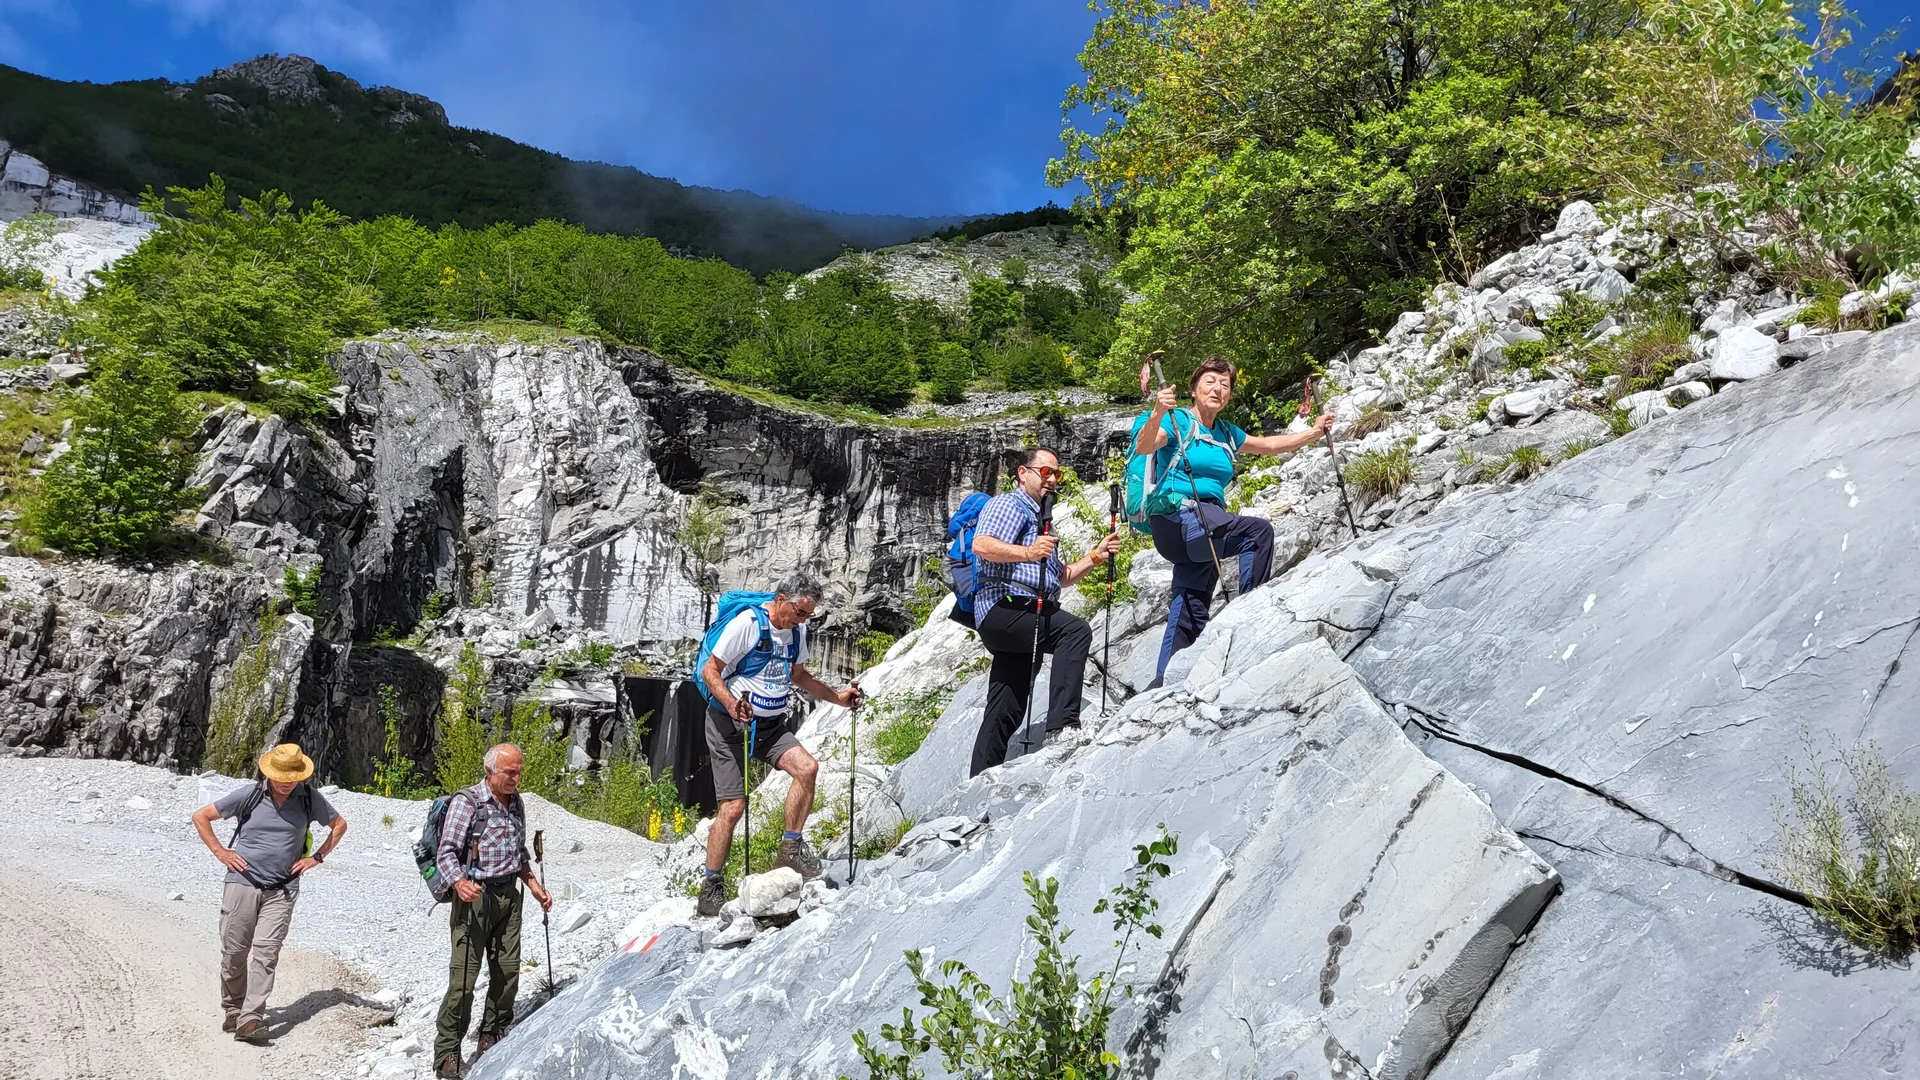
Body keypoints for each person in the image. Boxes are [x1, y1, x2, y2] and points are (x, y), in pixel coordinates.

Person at [1133, 355, 1334, 688]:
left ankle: (1162, 684)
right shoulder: (1178, 421)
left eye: (1225, 385)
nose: (1218, 389)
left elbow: (1269, 445)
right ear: (1193, 390)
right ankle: (1252, 619)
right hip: (1176, 517)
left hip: (1201, 528)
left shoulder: (1226, 433)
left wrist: (1314, 433)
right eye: (1210, 382)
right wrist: (1157, 412)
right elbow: (1144, 446)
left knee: (1191, 605)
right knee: (1257, 533)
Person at [697, 572, 864, 917]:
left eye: (808, 615)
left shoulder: (796, 631)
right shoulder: (748, 624)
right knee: (733, 808)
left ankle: (790, 848)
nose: (802, 620)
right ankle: (711, 887)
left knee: (807, 768)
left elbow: (799, 676)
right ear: (781, 599)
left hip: (770, 726)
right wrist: (731, 703)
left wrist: (840, 699)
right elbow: (710, 671)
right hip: (729, 724)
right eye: (799, 612)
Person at [969, 446, 1122, 777]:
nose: (1052, 479)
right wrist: (1027, 551)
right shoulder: (1009, 505)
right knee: (1074, 630)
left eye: (1057, 474)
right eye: (1046, 472)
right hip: (1005, 604)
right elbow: (981, 544)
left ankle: (978, 783)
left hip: (1025, 614)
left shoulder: (1043, 523)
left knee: (1006, 705)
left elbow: (1061, 577)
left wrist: (1096, 556)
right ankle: (1063, 727)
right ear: (1023, 473)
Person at [191, 742, 349, 1045]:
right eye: (281, 777)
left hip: (282, 889)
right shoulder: (249, 794)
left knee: (266, 953)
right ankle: (233, 1009)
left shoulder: (308, 798)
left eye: (292, 777)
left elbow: (339, 825)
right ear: (270, 773)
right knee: (234, 952)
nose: (287, 783)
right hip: (242, 882)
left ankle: (251, 1019)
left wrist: (316, 858)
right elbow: (202, 816)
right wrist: (220, 852)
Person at [432, 743, 554, 1079]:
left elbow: (520, 853)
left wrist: (533, 886)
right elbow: (446, 854)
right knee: (464, 981)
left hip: (508, 897)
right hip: (475, 899)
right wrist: (459, 884)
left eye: (519, 771)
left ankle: (492, 1035)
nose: (516, 778)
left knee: (507, 973)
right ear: (490, 772)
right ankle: (448, 1053)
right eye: (510, 772)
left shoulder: (517, 804)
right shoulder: (467, 803)